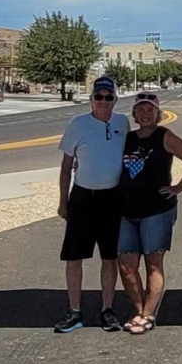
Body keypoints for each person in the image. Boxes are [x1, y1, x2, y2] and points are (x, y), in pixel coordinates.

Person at [117, 91, 182, 335]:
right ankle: (138, 309)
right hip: (125, 211)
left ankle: (148, 314)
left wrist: (179, 187)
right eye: (141, 110)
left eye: (150, 110)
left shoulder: (164, 136)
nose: (145, 114)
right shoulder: (127, 139)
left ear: (158, 114)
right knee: (126, 265)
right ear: (135, 115)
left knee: (153, 263)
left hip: (156, 211)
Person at [54, 76, 129, 333]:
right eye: (99, 96)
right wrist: (63, 201)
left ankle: (107, 309)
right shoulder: (78, 124)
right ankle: (74, 310)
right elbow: (66, 166)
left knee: (110, 256)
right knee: (74, 256)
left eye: (109, 97)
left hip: (112, 199)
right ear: (91, 99)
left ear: (115, 100)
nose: (104, 101)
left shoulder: (122, 123)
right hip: (83, 197)